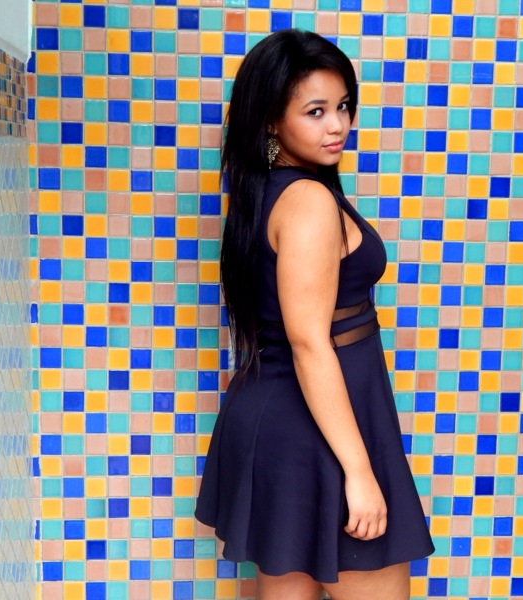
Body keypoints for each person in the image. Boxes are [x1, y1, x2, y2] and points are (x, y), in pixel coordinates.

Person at [195, 29, 434, 600]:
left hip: (290, 423)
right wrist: (360, 472)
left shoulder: (274, 192)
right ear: (272, 123)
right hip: (313, 432)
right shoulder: (307, 201)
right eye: (316, 111)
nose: (337, 125)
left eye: (343, 106)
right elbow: (309, 342)